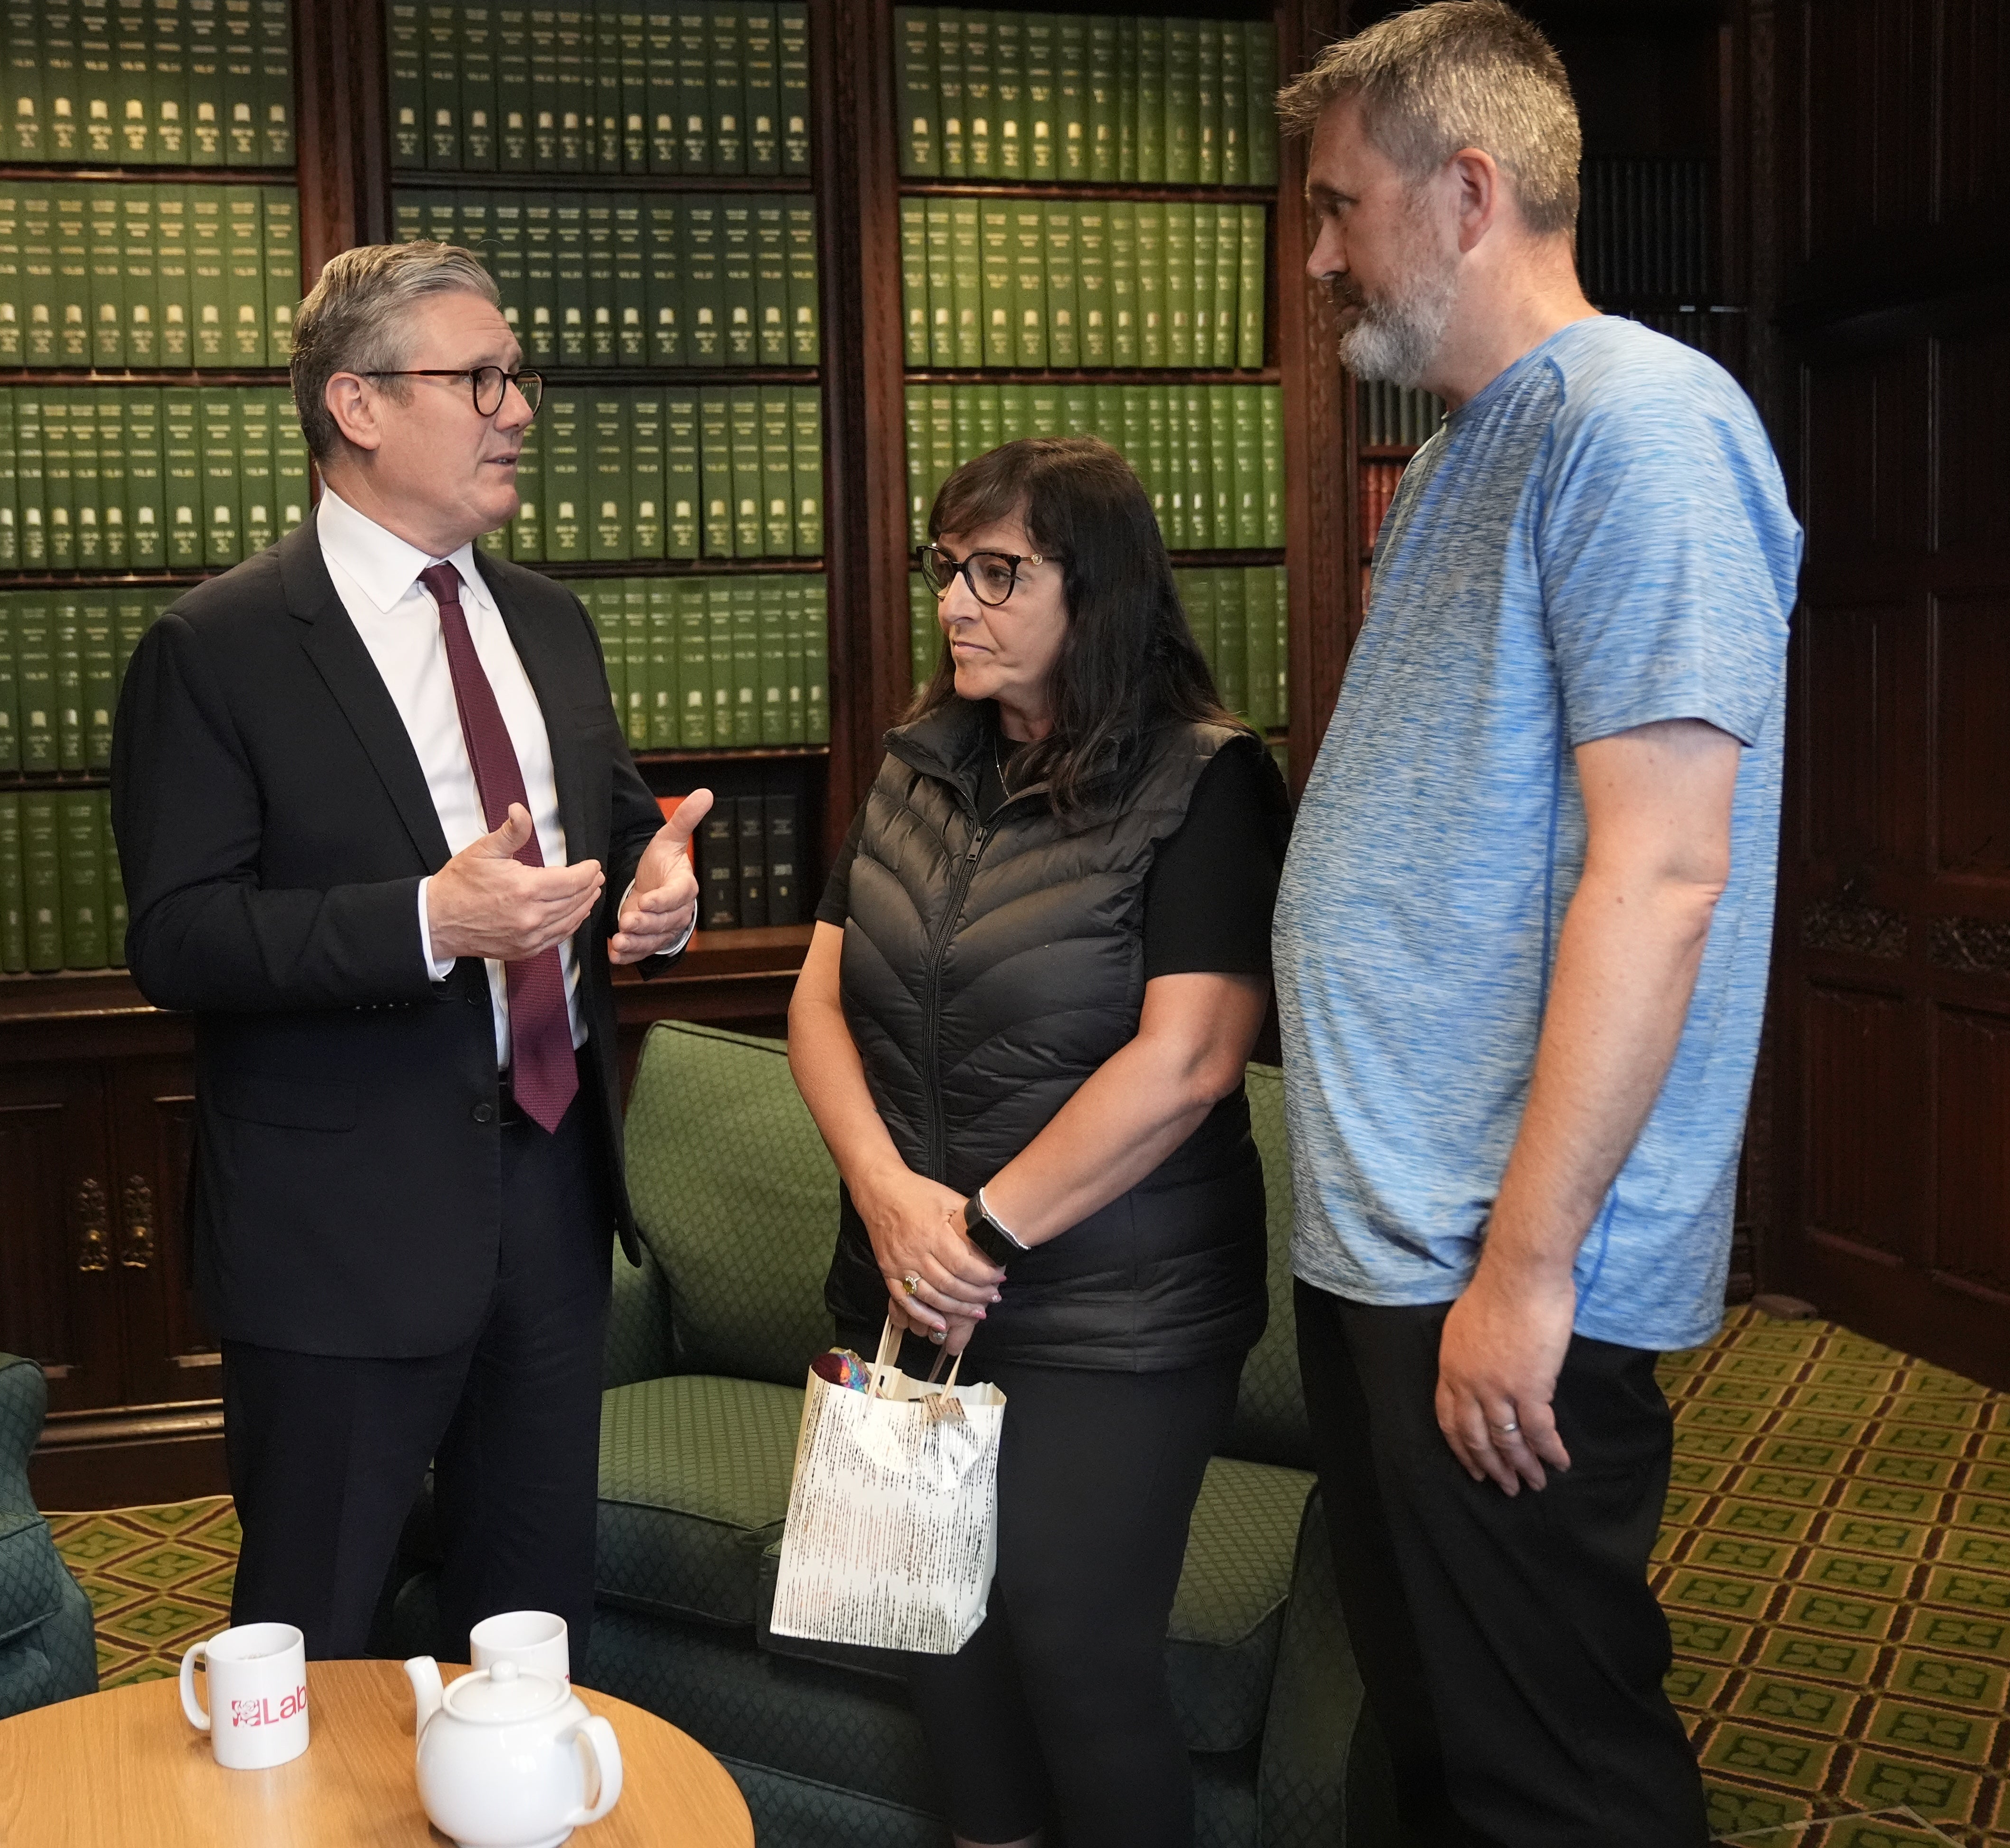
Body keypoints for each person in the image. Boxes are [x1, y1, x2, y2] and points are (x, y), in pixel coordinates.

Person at [1268, 0, 1801, 1848]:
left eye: (1341, 203)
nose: (1322, 249)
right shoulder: (1463, 452)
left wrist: (1527, 1264)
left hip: (1501, 1265)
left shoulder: (1647, 425)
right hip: (1398, 1241)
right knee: (1440, 1759)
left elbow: (1663, 876)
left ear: (1468, 188)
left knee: (1555, 1782)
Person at [111, 242, 708, 1666]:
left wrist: (659, 888)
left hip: (556, 1203)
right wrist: (426, 921)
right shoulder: (217, 649)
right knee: (319, 1632)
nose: (518, 407)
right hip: (344, 1230)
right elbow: (177, 937)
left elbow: (617, 835)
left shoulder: (552, 621)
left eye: (520, 377)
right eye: (479, 377)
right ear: (357, 406)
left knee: (531, 1618)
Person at [787, 436, 1289, 1848]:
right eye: (948, 570)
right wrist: (890, 1202)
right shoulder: (909, 762)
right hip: (903, 1284)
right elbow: (818, 1003)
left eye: (999, 573)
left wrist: (981, 1228)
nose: (958, 604)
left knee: (1075, 1650)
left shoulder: (1209, 782)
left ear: (1102, 588)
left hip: (1111, 1312)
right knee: (932, 1641)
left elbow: (1189, 1060)